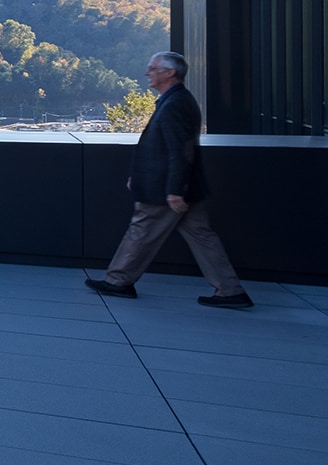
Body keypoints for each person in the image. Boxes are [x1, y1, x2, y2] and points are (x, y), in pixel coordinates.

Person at [87, 52, 252, 308]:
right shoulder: (177, 100)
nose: (147, 73)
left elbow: (180, 151)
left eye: (153, 68)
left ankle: (118, 281)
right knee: (202, 236)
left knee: (141, 230)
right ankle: (230, 290)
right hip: (181, 187)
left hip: (165, 189)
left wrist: (175, 190)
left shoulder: (174, 104)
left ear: (169, 73)